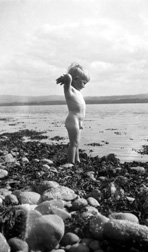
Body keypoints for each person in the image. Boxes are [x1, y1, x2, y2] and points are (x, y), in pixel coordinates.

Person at [56, 63, 90, 164]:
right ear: (75, 79)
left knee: (77, 143)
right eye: (84, 83)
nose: (84, 86)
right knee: (73, 143)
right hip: (72, 120)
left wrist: (81, 124)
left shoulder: (78, 92)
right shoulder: (70, 90)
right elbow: (68, 77)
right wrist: (65, 78)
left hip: (78, 122)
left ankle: (77, 160)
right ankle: (71, 162)